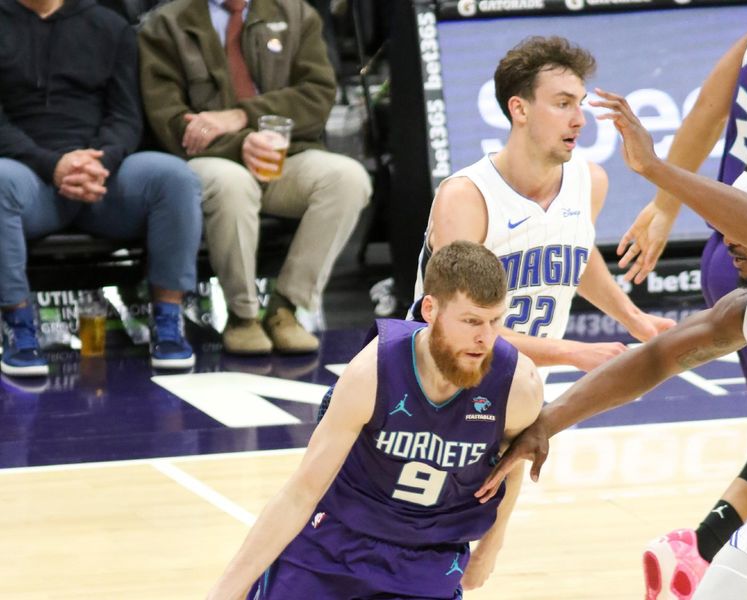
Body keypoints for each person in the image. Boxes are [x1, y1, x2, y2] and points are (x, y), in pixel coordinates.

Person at [476, 90, 747, 599]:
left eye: (740, 221)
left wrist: (654, 168)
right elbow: (655, 360)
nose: (727, 236)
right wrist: (547, 424)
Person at [206, 241, 542, 599]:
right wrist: (226, 591)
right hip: (335, 543)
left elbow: (511, 464)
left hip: (429, 557)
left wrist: (492, 545)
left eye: (495, 321)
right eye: (471, 321)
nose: (485, 338)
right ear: (430, 309)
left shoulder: (518, 386)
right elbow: (302, 492)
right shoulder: (372, 372)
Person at [611, 3, 747, 593]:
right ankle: (708, 550)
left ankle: (700, 548)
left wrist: (667, 204)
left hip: (731, 245)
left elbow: (710, 106)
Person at [411, 36, 674, 375]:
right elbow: (456, 328)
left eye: (579, 104)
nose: (579, 119)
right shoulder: (467, 197)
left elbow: (573, 249)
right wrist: (571, 352)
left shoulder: (590, 181)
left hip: (521, 383)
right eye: (563, 104)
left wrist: (635, 319)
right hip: (439, 385)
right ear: (519, 109)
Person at [137, 0, 372, 356]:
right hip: (207, 158)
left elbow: (318, 96)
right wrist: (239, 143)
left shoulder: (294, 13)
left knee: (348, 178)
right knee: (232, 183)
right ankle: (243, 315)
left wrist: (240, 116)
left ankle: (285, 307)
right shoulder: (166, 24)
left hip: (284, 155)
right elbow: (169, 121)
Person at [0, 0, 203, 376]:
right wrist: (53, 165)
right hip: (29, 177)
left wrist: (100, 163)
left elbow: (127, 116)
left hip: (103, 177)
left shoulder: (110, 26)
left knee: (174, 177)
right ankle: (19, 329)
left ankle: (169, 324)